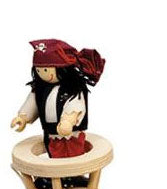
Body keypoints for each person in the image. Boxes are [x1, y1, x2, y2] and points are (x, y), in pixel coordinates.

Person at [10, 39, 105, 172]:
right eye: (39, 70)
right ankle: (58, 178)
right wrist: (23, 117)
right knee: (54, 154)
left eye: (46, 70)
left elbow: (75, 105)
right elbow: (33, 103)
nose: (43, 74)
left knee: (73, 155)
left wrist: (68, 120)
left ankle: (73, 176)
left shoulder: (72, 88)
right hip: (50, 133)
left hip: (71, 133)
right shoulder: (41, 89)